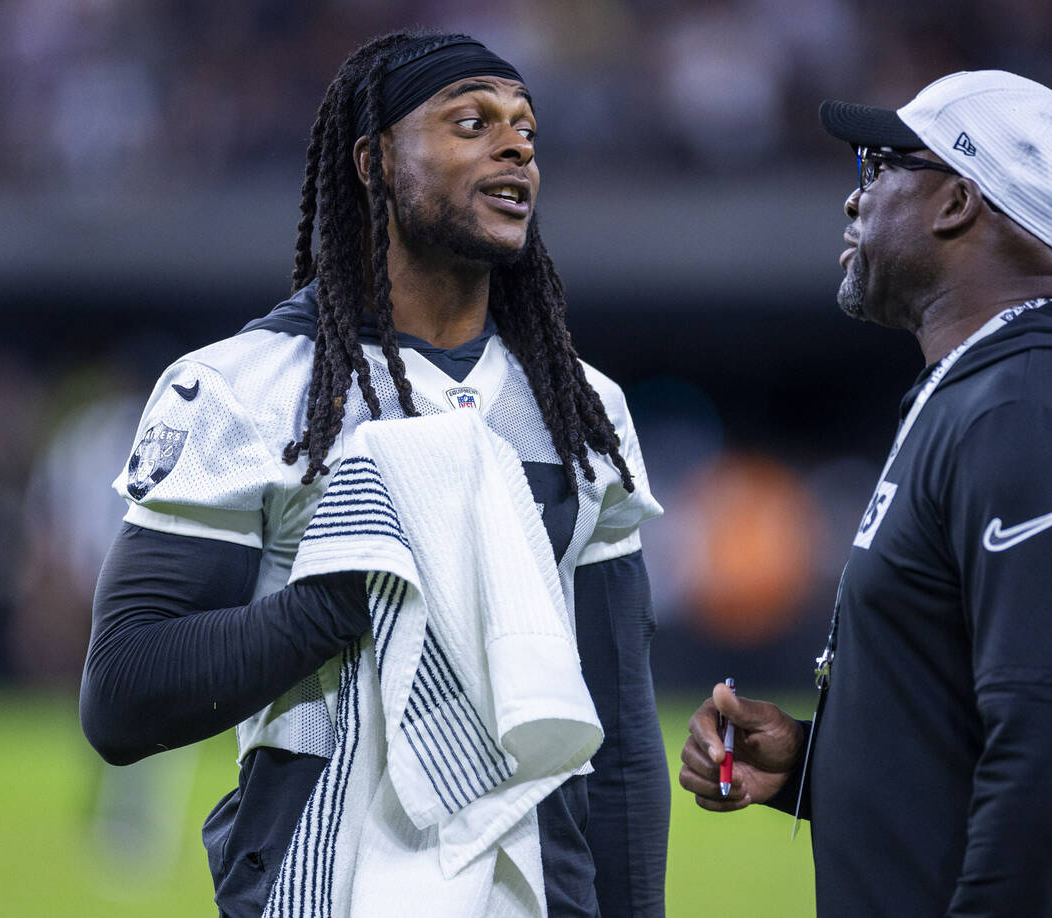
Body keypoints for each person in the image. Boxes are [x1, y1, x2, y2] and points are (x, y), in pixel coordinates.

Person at [80, 29, 669, 917]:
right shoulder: (248, 389)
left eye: (527, 132)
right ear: (374, 162)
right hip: (321, 886)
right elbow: (123, 693)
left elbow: (618, 739)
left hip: (537, 892)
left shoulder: (584, 409)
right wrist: (342, 600)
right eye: (471, 122)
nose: (515, 146)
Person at [680, 70, 1052, 917]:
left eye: (877, 168)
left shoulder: (1032, 412)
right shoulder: (991, 396)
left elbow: (1051, 749)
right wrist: (814, 765)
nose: (855, 201)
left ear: (956, 203)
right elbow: (978, 729)